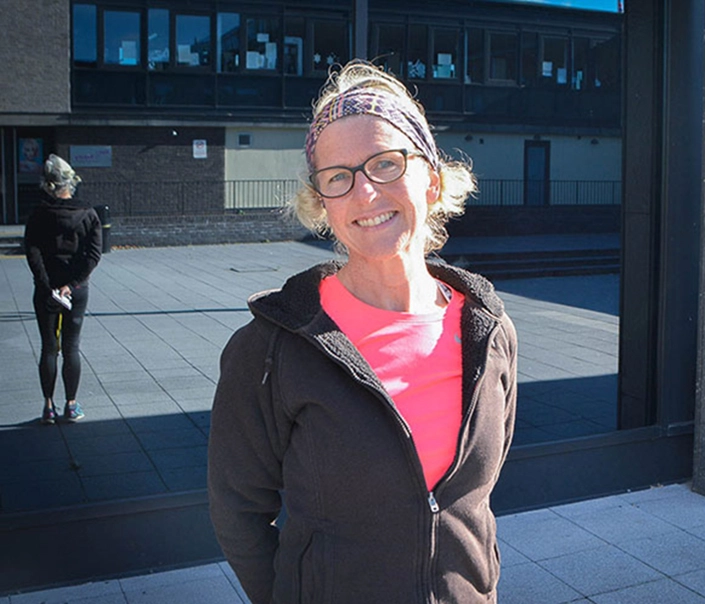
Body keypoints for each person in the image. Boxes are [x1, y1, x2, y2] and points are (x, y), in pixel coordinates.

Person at [208, 60, 517, 604]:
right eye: (338, 177)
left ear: (432, 178)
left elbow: (475, 498)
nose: (366, 193)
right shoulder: (271, 347)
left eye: (386, 163)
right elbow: (237, 510)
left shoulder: (489, 330)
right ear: (321, 203)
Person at [24, 154, 102, 425]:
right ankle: (71, 405)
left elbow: (32, 252)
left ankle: (48, 407)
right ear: (71, 182)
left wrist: (47, 284)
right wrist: (72, 284)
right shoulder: (88, 214)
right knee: (71, 347)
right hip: (76, 290)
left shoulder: (38, 214)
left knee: (48, 347)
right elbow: (93, 255)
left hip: (46, 290)